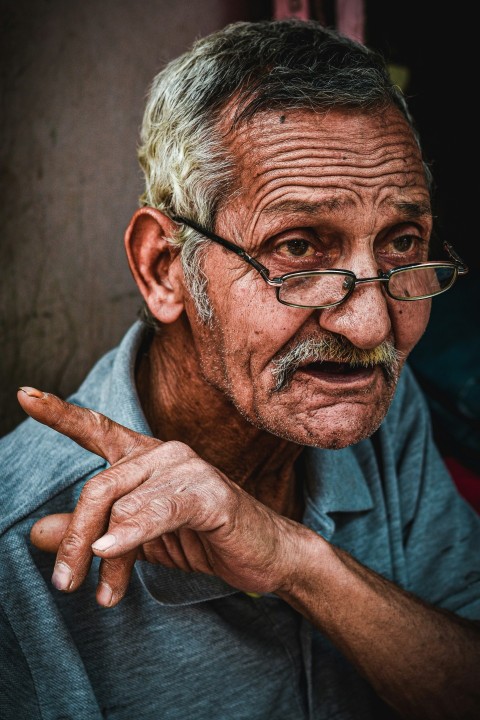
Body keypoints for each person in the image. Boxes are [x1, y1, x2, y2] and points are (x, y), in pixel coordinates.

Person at [1, 18, 479, 720]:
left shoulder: (377, 407)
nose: (373, 326)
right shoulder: (19, 544)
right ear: (165, 269)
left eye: (403, 241)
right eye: (298, 247)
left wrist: (294, 560)